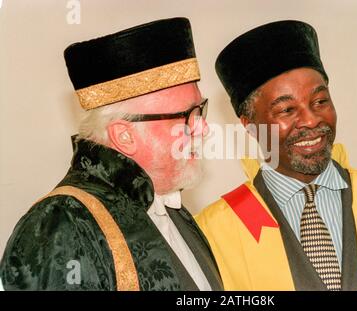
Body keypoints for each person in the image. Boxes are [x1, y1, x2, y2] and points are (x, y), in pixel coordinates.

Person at [195, 20, 357, 290]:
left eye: (320, 102)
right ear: (249, 125)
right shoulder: (215, 232)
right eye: (287, 110)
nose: (311, 120)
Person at [0, 17, 222, 291]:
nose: (202, 128)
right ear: (124, 135)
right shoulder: (62, 225)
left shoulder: (174, 209)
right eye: (187, 115)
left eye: (200, 110)